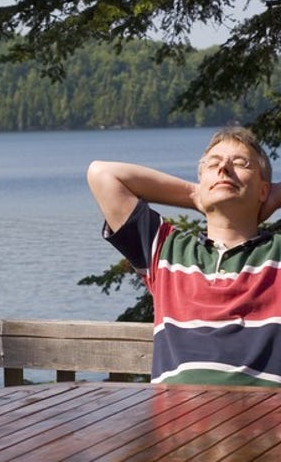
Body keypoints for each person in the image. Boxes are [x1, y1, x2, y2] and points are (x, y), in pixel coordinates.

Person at [87, 126, 281, 386]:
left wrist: (275, 196)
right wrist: (193, 194)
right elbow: (102, 174)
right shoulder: (166, 250)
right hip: (177, 423)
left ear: (263, 190)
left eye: (240, 163)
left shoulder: (276, 254)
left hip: (262, 423)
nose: (224, 168)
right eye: (213, 164)